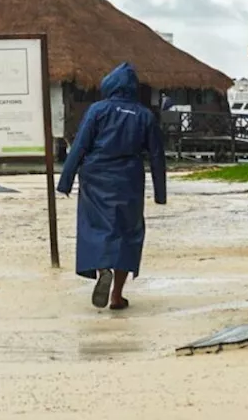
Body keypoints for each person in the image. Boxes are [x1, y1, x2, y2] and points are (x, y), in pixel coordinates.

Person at [56, 62, 167, 310]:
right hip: (129, 179)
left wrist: (66, 181)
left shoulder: (98, 110)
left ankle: (101, 267)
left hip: (96, 177)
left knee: (96, 227)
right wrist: (160, 193)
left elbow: (81, 145)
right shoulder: (145, 115)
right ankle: (116, 295)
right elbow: (157, 156)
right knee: (127, 233)